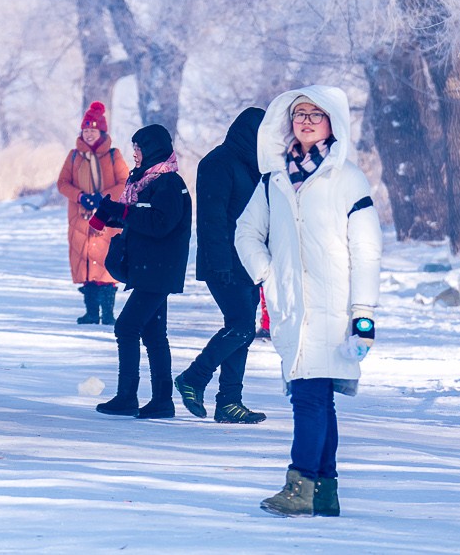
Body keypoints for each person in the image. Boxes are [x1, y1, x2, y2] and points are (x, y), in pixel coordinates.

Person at [236, 86, 382, 518]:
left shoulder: (348, 179)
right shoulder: (272, 180)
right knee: (317, 398)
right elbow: (246, 233)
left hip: (335, 310)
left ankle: (300, 485)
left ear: (332, 123)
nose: (306, 121)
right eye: (300, 114)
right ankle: (325, 492)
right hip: (291, 308)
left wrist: (364, 314)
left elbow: (367, 250)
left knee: (310, 398)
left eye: (315, 115)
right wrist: (267, 273)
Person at [80, 122, 191, 419]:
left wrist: (121, 212)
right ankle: (161, 401)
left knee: (126, 327)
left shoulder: (168, 183)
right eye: (134, 149)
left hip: (158, 270)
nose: (135, 154)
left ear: (153, 149)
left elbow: (159, 223)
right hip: (151, 269)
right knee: (154, 334)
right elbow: (139, 218)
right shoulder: (146, 181)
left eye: (139, 148)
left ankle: (128, 396)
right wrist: (112, 214)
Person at [175, 104, 269, 423]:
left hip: (250, 261)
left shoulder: (258, 167)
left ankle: (229, 401)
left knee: (240, 329)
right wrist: (219, 263)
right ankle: (194, 378)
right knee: (241, 328)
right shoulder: (218, 163)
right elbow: (212, 218)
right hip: (225, 262)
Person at [57, 101, 129, 325]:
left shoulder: (114, 156)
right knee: (86, 262)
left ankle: (108, 313)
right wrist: (80, 196)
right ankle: (90, 312)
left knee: (106, 262)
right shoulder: (73, 156)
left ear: (102, 132)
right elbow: (62, 183)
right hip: (81, 218)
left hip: (106, 216)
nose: (89, 135)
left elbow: (125, 182)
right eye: (86, 130)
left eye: (93, 130)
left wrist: (102, 198)